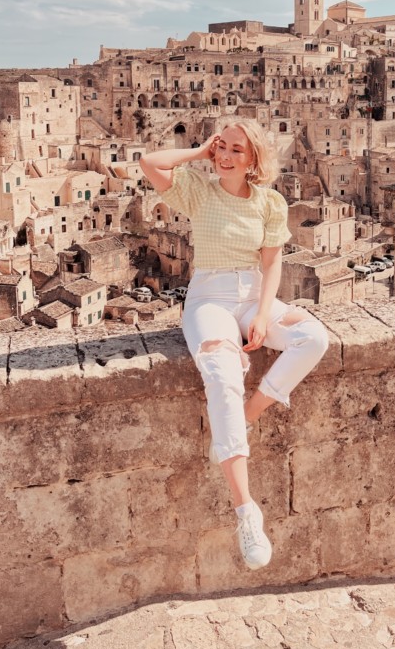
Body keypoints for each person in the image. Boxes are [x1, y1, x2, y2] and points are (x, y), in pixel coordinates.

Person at [140, 121, 329, 570]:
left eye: (235, 150)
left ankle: (244, 419)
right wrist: (197, 151)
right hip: (209, 298)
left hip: (252, 298)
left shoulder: (270, 202)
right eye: (221, 147)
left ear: (254, 158)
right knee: (223, 373)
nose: (225, 156)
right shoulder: (197, 191)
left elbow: (272, 264)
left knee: (312, 337)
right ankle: (247, 511)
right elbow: (149, 162)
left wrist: (264, 315)